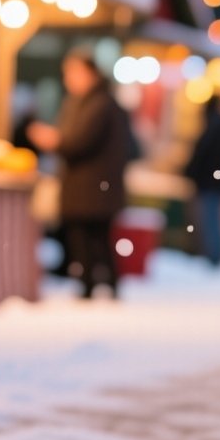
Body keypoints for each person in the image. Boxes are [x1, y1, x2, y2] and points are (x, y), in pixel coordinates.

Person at [27, 50, 132, 299]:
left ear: (89, 73)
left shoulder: (99, 104)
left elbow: (79, 141)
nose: (68, 79)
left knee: (91, 239)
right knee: (91, 239)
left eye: (73, 73)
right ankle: (96, 286)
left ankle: (90, 288)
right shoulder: (88, 101)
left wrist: (54, 140)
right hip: (90, 187)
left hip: (91, 188)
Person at [185, 100, 220, 266]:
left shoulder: (213, 130)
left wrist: (191, 172)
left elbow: (202, 156)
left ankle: (214, 258)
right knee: (214, 219)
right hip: (216, 185)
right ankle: (215, 256)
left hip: (209, 184)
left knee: (210, 220)